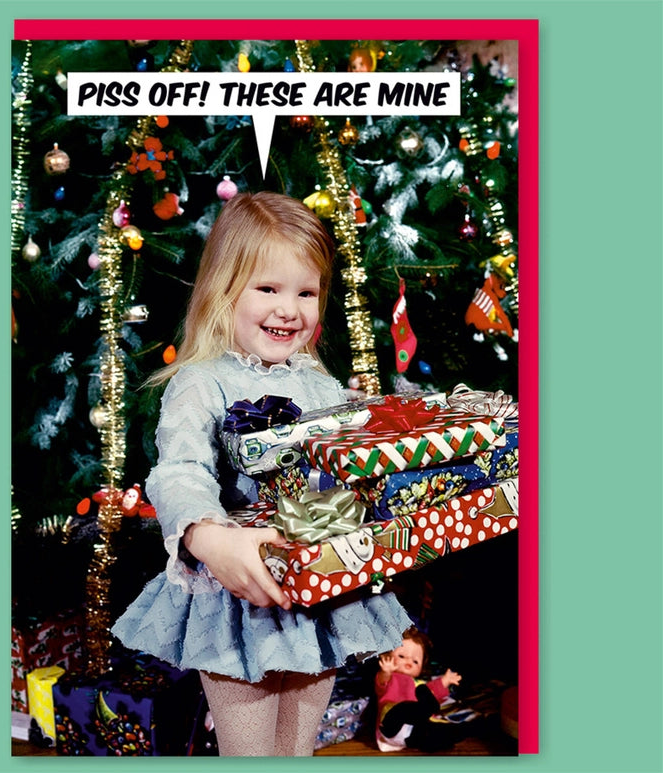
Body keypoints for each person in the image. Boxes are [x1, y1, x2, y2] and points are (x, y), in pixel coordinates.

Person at [112, 192, 413, 756]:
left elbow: (353, 456)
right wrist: (207, 535)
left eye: (306, 292)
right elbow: (179, 470)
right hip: (238, 594)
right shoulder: (202, 381)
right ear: (224, 288)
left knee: (297, 748)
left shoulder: (321, 384)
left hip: (319, 586)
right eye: (268, 288)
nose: (289, 309)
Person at [374, 626, 462, 752]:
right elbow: (381, 684)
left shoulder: (417, 683)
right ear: (387, 655)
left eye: (416, 661)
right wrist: (386, 672)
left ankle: (448, 734)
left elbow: (432, 690)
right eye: (402, 656)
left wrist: (444, 681)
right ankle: (424, 711)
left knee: (424, 694)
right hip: (390, 724)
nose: (409, 661)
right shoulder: (391, 678)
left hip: (411, 730)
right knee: (414, 702)